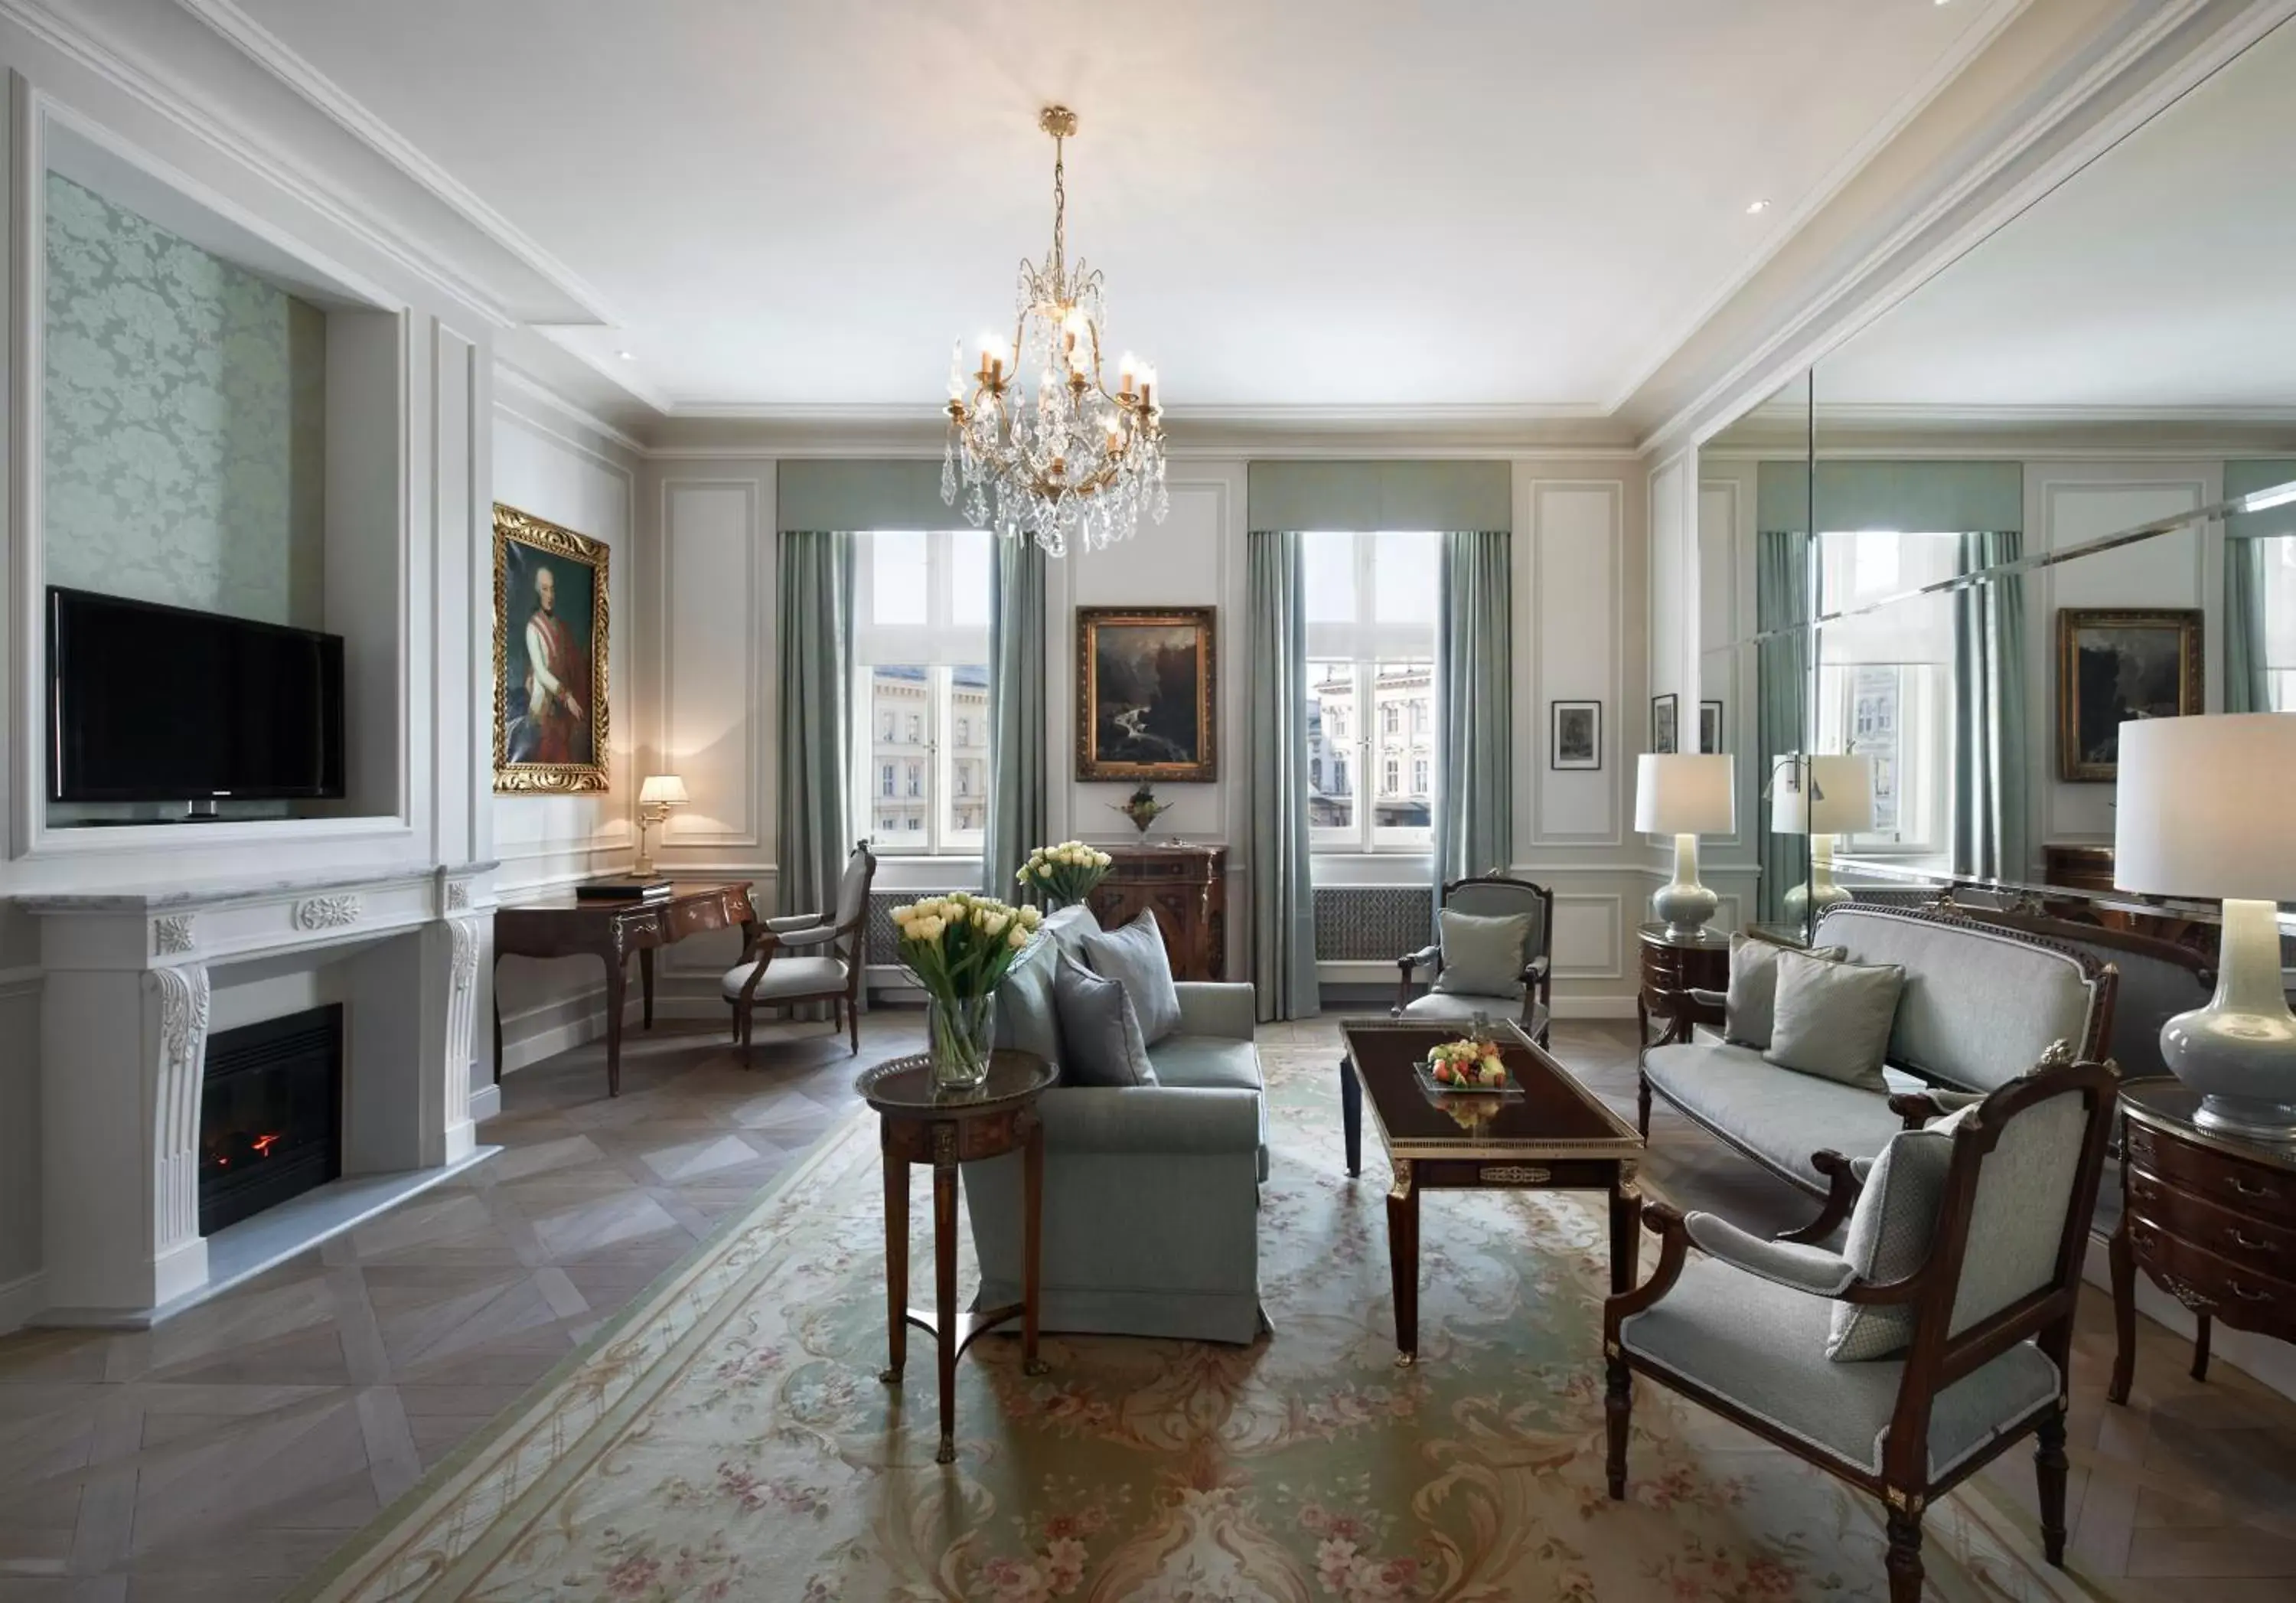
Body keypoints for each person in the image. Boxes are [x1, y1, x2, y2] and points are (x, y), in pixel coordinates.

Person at [517, 563, 585, 764]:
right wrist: (568, 697)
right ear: (537, 592)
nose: (550, 595)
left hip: (562, 711)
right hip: (543, 707)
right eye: (545, 589)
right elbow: (540, 672)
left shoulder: (561, 627)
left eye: (552, 588)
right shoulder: (533, 628)